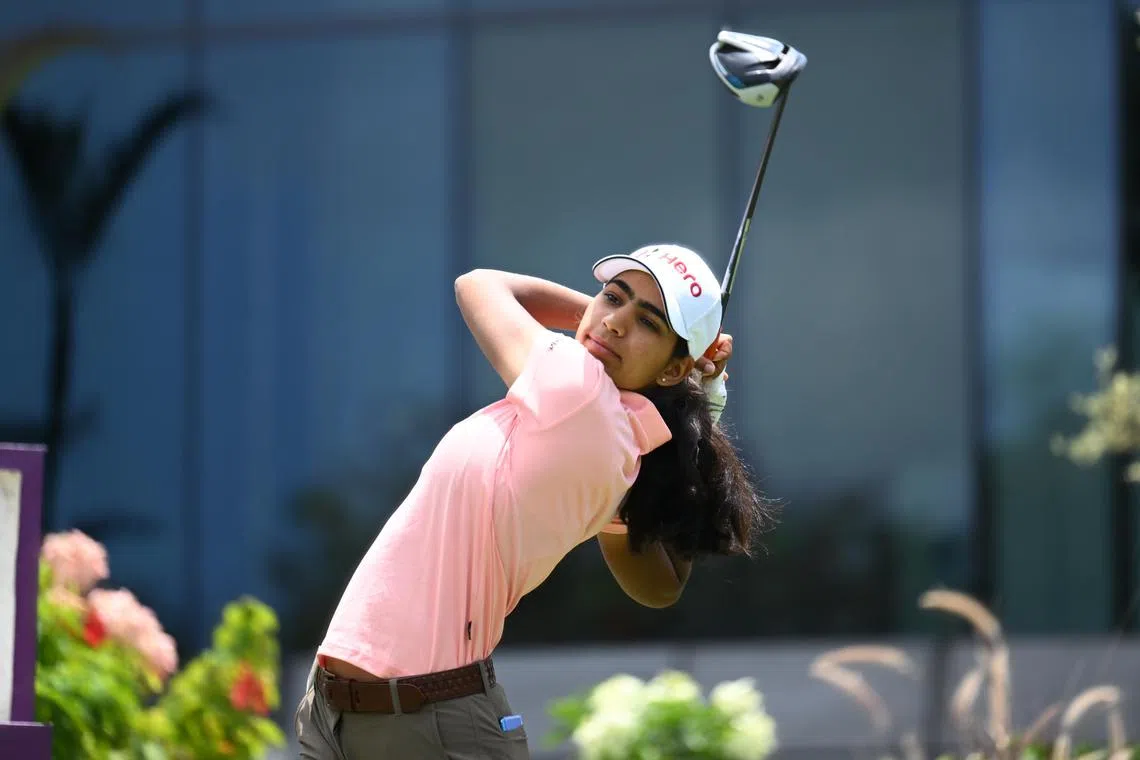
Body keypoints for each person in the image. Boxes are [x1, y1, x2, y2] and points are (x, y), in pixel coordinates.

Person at [294, 243, 774, 759]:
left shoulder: (580, 392)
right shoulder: (630, 447)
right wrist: (694, 390)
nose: (615, 323)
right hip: (339, 713)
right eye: (613, 297)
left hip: (428, 725)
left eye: (649, 323)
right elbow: (659, 586)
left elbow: (479, 284)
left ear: (673, 371)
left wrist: (594, 317)